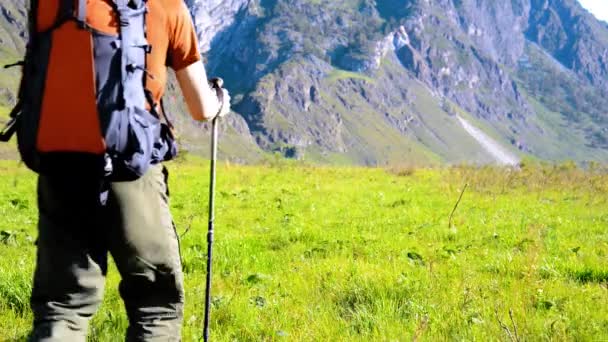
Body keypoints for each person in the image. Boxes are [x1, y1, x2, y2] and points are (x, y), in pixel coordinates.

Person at [28, 0, 230, 340]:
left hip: (60, 166)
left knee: (62, 307)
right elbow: (200, 108)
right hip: (131, 170)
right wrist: (219, 102)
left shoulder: (50, 2)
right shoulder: (166, 6)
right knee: (156, 306)